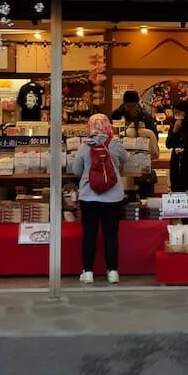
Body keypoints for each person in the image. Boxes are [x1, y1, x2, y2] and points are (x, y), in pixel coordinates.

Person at [70, 114, 125, 285]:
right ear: (108, 126)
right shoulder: (114, 144)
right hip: (113, 197)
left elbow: (76, 170)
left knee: (89, 235)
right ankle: (113, 272)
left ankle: (88, 272)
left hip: (89, 196)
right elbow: (127, 160)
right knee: (111, 235)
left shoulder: (84, 146)